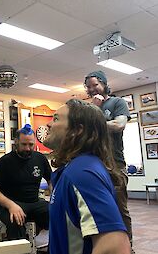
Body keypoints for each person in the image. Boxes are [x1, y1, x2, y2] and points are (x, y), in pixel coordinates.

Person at [43, 99, 131, 254]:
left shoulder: (82, 173)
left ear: (77, 130)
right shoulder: (74, 168)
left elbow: (115, 245)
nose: (48, 124)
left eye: (56, 119)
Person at [84, 70, 133, 246]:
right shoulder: (88, 108)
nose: (91, 89)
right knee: (96, 209)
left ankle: (128, 246)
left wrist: (94, 122)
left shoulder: (117, 102)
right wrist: (94, 109)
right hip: (93, 165)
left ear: (104, 83)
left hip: (115, 164)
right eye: (88, 87)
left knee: (120, 208)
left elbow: (119, 124)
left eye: (95, 84)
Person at [0, 124, 52, 240]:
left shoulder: (40, 159)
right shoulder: (4, 162)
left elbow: (51, 181)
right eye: (24, 144)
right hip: (11, 204)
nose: (27, 148)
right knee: (16, 220)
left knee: (56, 213)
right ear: (16, 142)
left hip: (34, 202)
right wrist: (11, 205)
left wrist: (55, 198)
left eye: (31, 145)